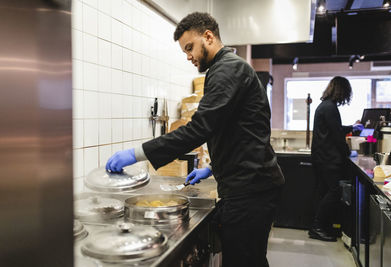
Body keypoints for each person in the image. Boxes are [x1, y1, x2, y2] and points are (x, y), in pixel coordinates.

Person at [106, 12, 284, 267]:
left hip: (250, 191)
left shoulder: (227, 69)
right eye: (185, 51)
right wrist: (212, 168)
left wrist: (136, 153)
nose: (188, 56)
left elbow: (198, 129)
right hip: (252, 185)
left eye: (190, 48)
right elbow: (240, 132)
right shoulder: (226, 69)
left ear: (208, 37)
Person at [309, 76, 363, 242]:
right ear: (342, 91)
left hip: (322, 158)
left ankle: (321, 227)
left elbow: (335, 128)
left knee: (324, 192)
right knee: (335, 191)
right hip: (328, 159)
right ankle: (317, 227)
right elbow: (337, 136)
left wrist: (352, 128)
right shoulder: (330, 108)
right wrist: (348, 153)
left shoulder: (325, 106)